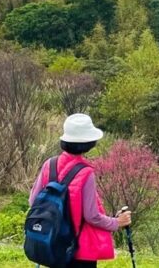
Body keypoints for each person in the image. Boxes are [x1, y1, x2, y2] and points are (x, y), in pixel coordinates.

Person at [29, 114, 131, 268]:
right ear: (89, 143)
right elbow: (92, 216)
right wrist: (117, 222)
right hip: (79, 249)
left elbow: (33, 201)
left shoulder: (49, 165)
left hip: (53, 242)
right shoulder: (85, 172)